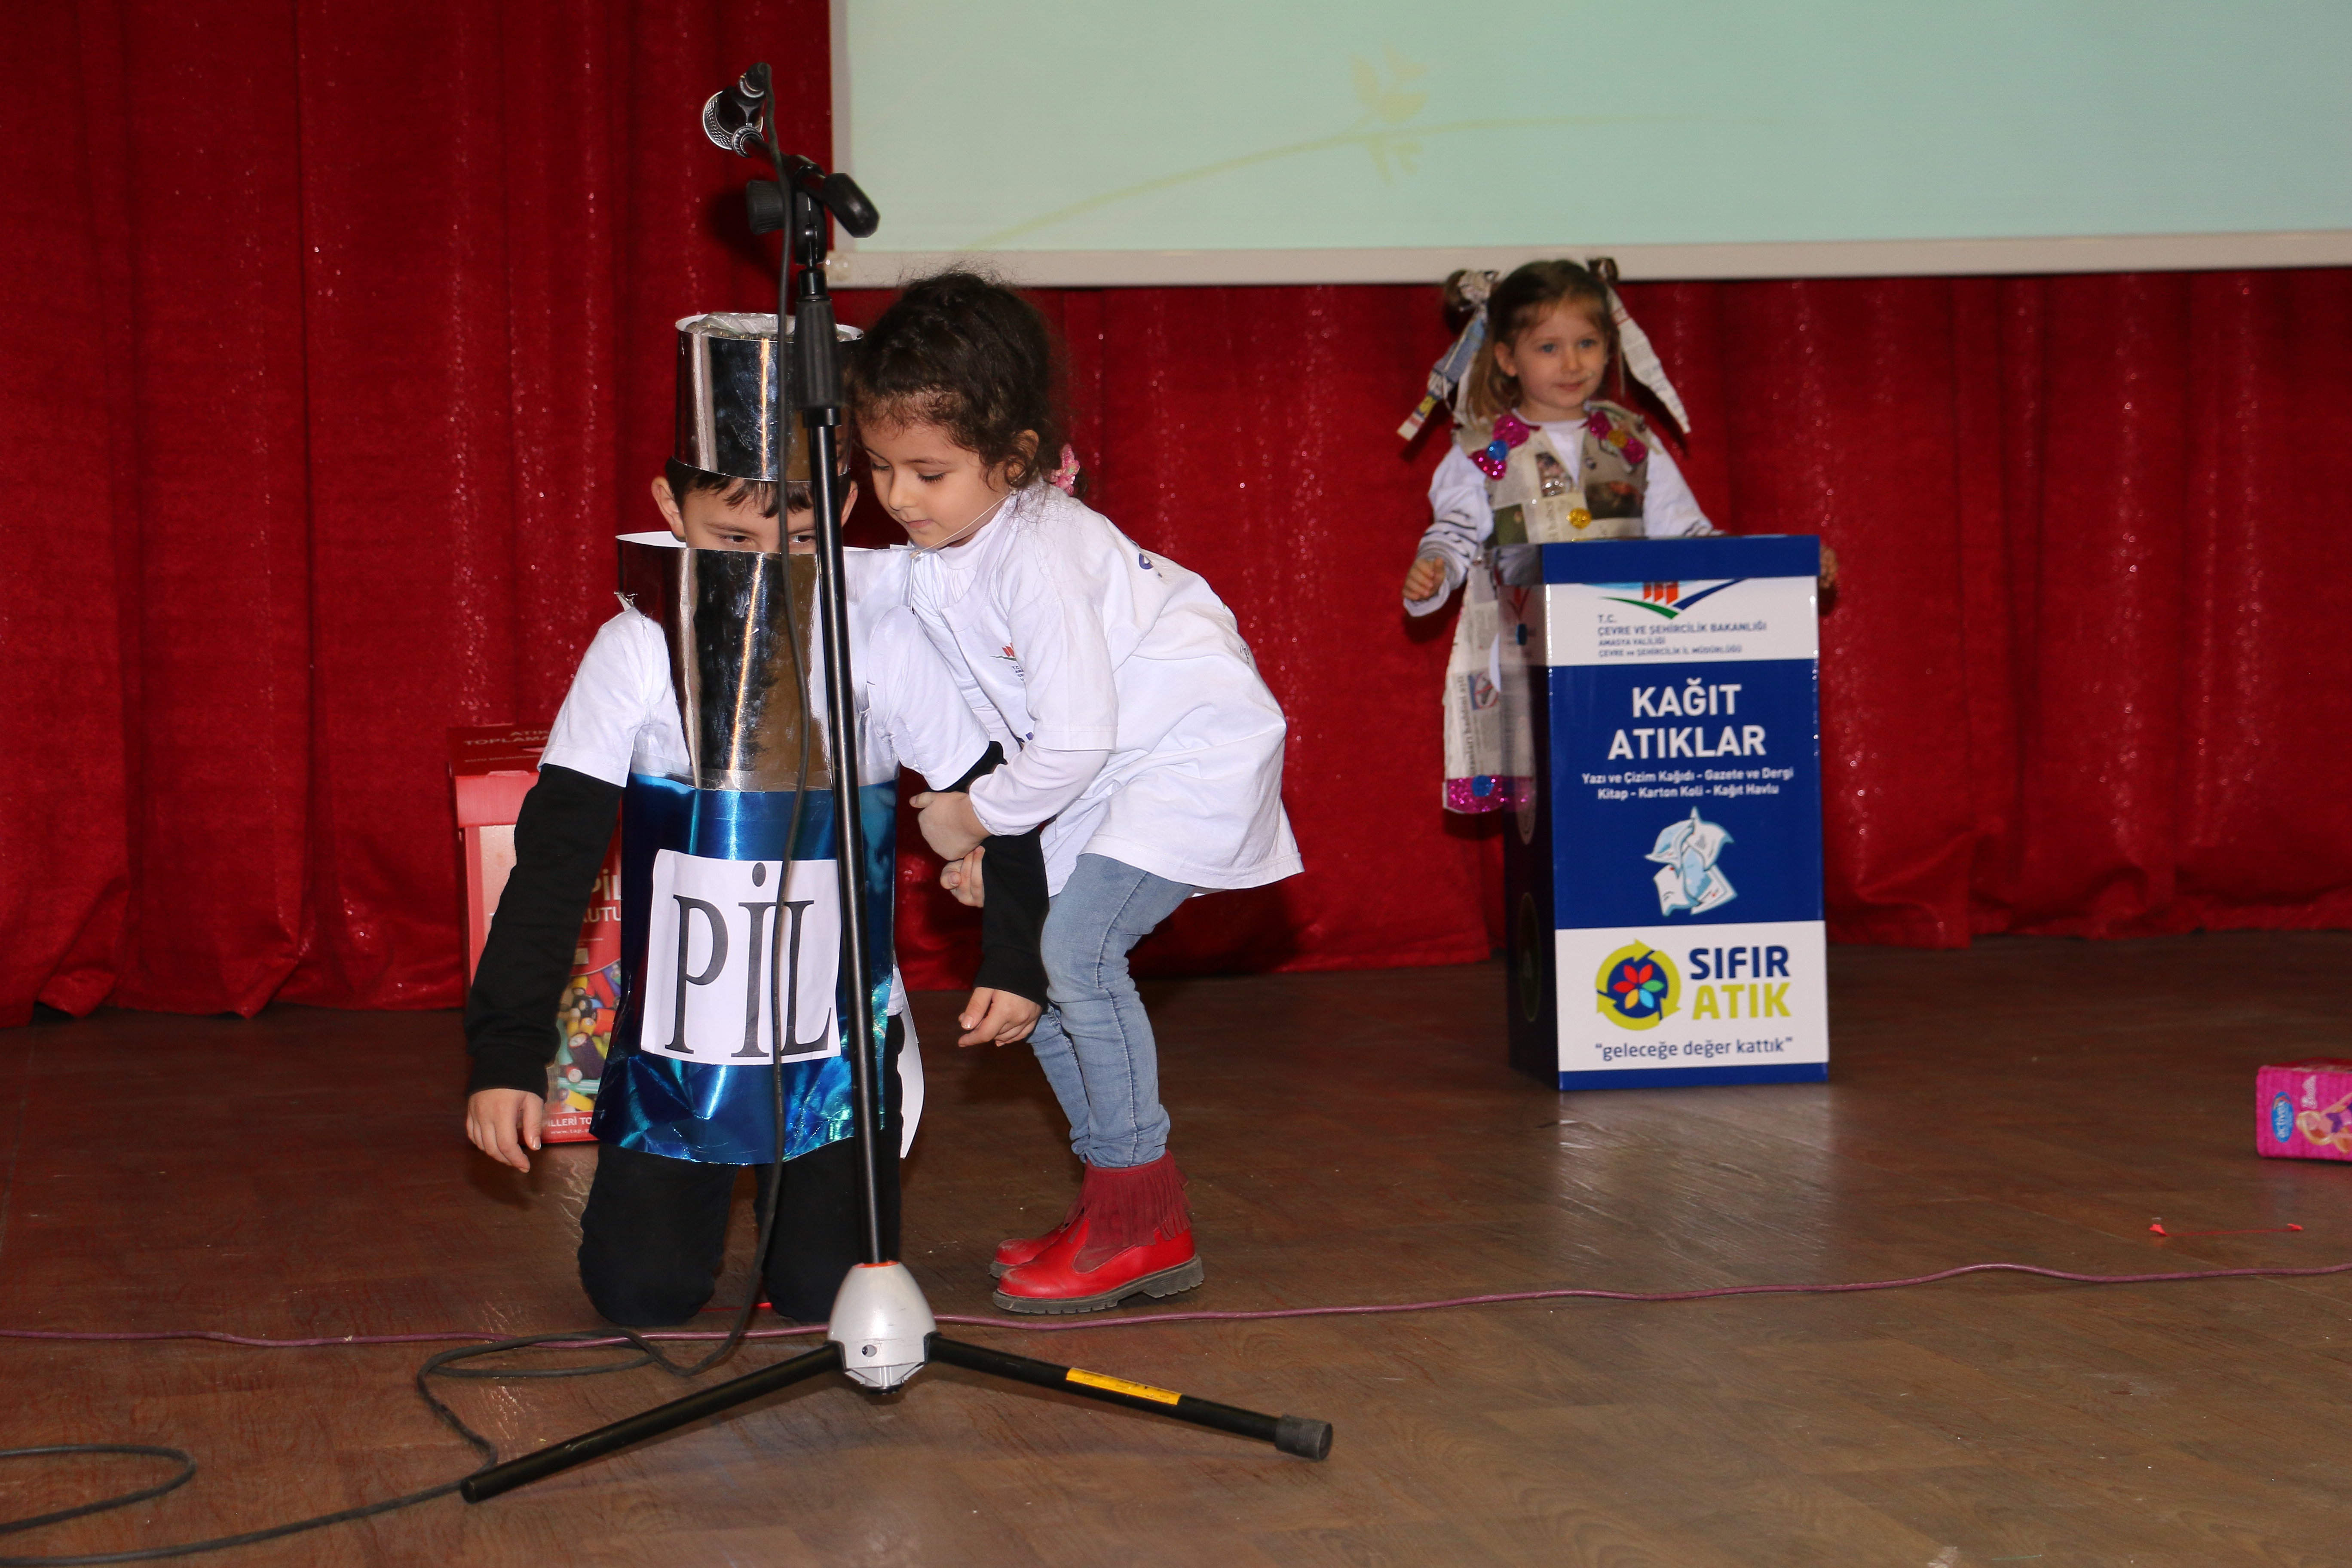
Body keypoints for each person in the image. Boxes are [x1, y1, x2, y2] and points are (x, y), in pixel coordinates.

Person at [463, 312, 1047, 1327]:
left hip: (837, 1041)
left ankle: (808, 1201)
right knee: (643, 1296)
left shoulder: (876, 633)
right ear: (667, 504)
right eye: (732, 540)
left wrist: (1012, 952)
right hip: (680, 1047)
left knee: (830, 1295)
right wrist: (505, 1056)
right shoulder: (634, 650)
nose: (765, 569)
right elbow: (555, 856)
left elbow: (1001, 788)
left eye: (802, 536)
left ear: (849, 500)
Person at [845, 271, 1302, 1316]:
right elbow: (890, 596)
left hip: (1184, 758)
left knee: (1072, 956)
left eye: (927, 471)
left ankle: (1140, 1215)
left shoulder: (1040, 556)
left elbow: (1075, 741)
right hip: (1104, 770)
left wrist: (970, 817)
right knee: (1044, 974)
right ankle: (1119, 1207)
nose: (900, 497)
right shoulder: (960, 541)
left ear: (1011, 458)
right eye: (878, 468)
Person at [1400, 260, 1836, 813]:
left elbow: (1688, 534)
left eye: (1587, 342)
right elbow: (1457, 534)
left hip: (1630, 652)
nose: (1573, 362)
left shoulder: (1632, 440)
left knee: (1626, 791)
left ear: (1610, 346)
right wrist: (1435, 566)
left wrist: (1786, 569)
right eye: (1549, 348)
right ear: (1508, 358)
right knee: (1557, 803)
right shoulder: (1479, 452)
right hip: (1530, 658)